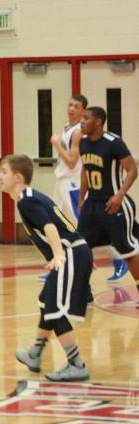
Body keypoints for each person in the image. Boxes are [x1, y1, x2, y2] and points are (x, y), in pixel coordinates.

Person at [0, 154, 93, 382]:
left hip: (70, 252)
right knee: (46, 302)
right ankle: (35, 353)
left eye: (3, 172)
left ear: (18, 177)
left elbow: (50, 227)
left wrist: (59, 254)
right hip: (74, 252)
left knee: (54, 308)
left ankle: (76, 364)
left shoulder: (26, 200)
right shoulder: (29, 197)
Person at [50, 94, 127, 283]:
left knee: (85, 229)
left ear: (84, 111)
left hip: (73, 183)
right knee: (56, 224)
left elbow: (71, 162)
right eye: (69, 105)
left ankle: (119, 260)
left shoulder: (78, 132)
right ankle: (59, 264)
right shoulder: (68, 128)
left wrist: (57, 145)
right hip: (61, 182)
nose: (71, 109)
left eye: (76, 106)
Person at [76, 106, 139, 300]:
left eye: (86, 118)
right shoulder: (83, 143)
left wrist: (120, 195)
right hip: (92, 204)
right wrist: (81, 197)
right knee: (80, 248)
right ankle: (84, 292)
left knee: (127, 251)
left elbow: (132, 170)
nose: (82, 121)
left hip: (114, 204)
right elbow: (85, 171)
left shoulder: (114, 143)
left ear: (98, 122)